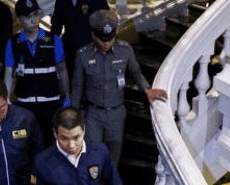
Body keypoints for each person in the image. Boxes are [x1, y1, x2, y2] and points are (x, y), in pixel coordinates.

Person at [71, 9, 168, 169]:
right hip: (93, 115)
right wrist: (73, 116)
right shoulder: (83, 55)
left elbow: (136, 72)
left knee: (112, 160)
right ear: (93, 35)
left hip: (117, 113)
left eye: (110, 39)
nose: (107, 43)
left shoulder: (125, 50)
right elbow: (77, 86)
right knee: (92, 158)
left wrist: (147, 89)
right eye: (102, 40)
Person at [5, 0, 71, 145]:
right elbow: (9, 73)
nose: (33, 20)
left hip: (51, 103)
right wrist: (7, 99)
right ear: (19, 20)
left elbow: (62, 71)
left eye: (35, 14)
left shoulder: (54, 40)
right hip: (24, 105)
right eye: (27, 16)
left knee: (52, 144)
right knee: (27, 145)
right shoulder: (13, 43)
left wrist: (67, 97)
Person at [50, 0, 109, 72]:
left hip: (92, 53)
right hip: (70, 54)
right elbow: (56, 27)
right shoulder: (62, 1)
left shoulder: (98, 1)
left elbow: (107, 25)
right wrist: (51, 47)